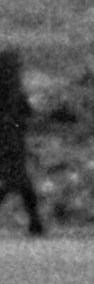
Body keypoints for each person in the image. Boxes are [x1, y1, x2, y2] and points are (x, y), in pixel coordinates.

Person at [0, 47, 46, 237]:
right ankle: (36, 223)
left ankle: (36, 223)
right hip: (11, 141)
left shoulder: (12, 92)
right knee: (17, 182)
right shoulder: (12, 91)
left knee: (19, 183)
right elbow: (27, 112)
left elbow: (26, 112)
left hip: (12, 141)